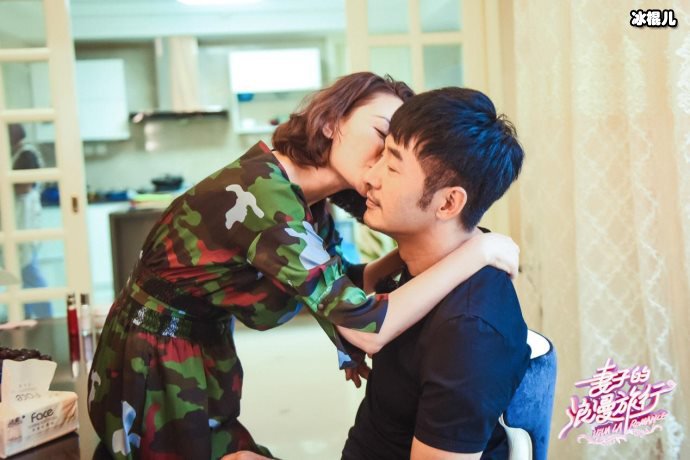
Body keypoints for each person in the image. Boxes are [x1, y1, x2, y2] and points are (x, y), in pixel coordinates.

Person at [87, 73, 520, 460]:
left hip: (203, 349)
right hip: (157, 351)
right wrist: (475, 251)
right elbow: (365, 324)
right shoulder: (265, 199)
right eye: (381, 136)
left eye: (394, 156)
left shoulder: (311, 204)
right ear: (331, 122)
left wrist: (426, 252)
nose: (380, 162)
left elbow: (338, 285)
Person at [341, 87, 531, 459]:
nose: (371, 176)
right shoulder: (428, 261)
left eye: (392, 166)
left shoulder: (469, 332)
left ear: (448, 203)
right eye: (381, 155)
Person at [8, 124, 52, 318]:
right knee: (18, 276)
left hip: (24, 224)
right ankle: (24, 316)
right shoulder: (14, 154)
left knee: (28, 272)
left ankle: (46, 318)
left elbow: (23, 186)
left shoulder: (26, 154)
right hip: (16, 223)